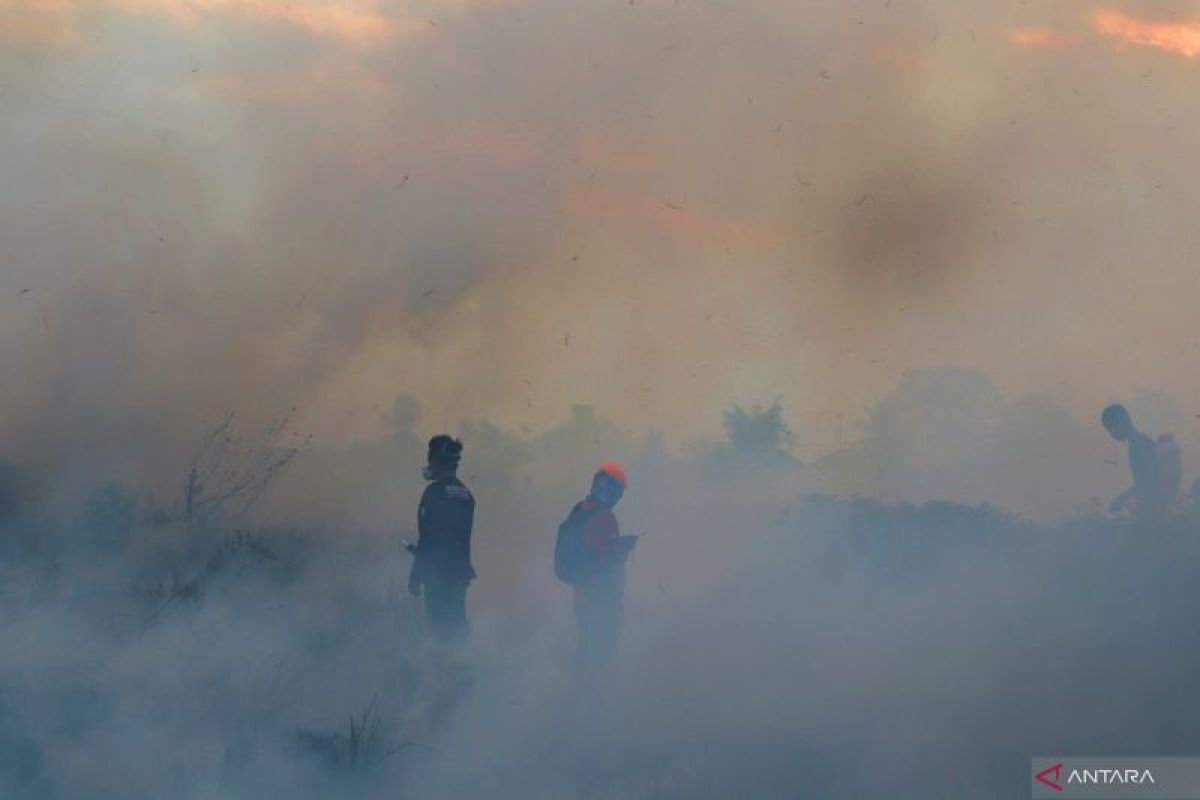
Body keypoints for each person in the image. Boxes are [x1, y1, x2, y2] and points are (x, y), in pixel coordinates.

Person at [555, 463, 638, 666]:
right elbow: (607, 559)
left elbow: (590, 548)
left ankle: (578, 688)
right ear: (613, 490)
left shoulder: (580, 508)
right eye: (618, 490)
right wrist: (624, 548)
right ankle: (590, 691)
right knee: (601, 648)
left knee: (587, 643)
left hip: (582, 591)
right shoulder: (604, 517)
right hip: (601, 596)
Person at [408, 435, 476, 639]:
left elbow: (428, 538)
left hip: (438, 574)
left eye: (430, 460)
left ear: (436, 461)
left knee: (441, 624)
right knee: (457, 621)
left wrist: (415, 575)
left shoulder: (434, 492)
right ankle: (464, 663)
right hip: (460, 572)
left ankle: (449, 666)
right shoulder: (466, 494)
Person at [1102, 404, 1178, 515]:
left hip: (1155, 511)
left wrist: (1123, 498)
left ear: (1120, 423)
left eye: (1110, 429)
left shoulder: (1139, 446)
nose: (1112, 434)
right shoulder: (1139, 443)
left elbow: (1151, 482)